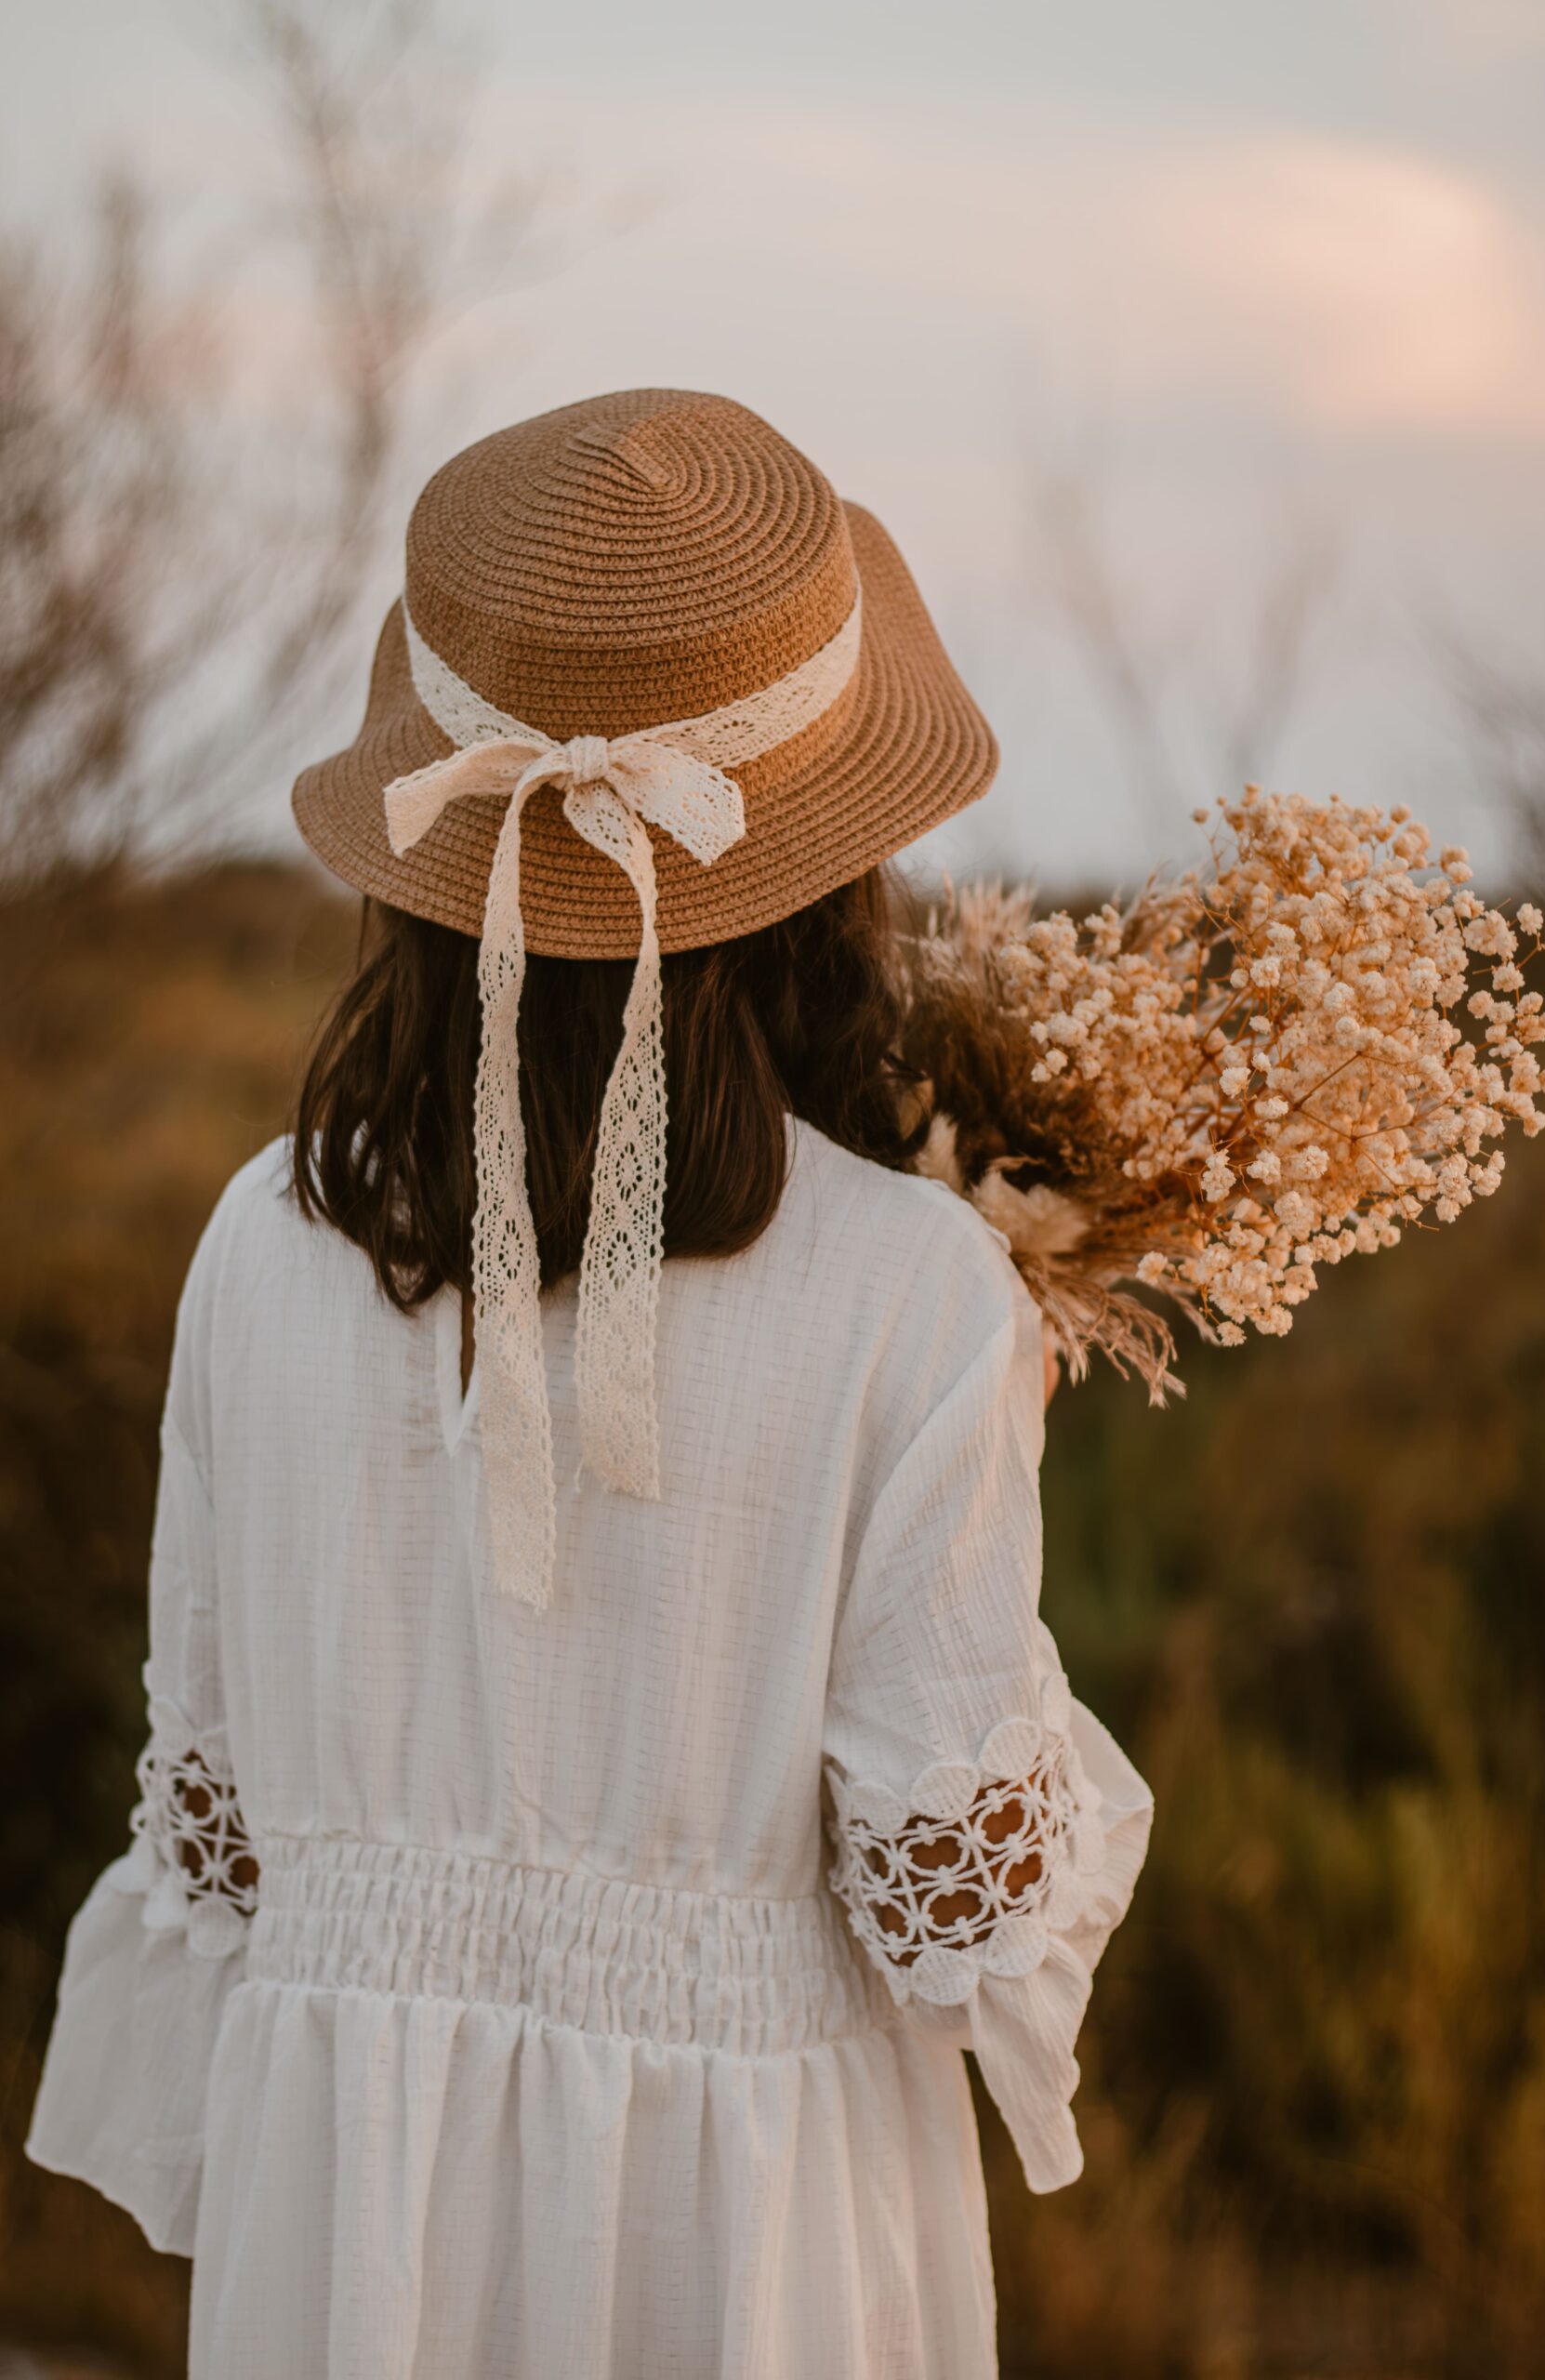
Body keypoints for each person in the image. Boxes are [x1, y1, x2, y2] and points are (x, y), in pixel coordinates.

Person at [28, 388, 1151, 2379]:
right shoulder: (917, 1296)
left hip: (347, 2216)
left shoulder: (255, 1243)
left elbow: (219, 1818)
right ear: (828, 868)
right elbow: (945, 1902)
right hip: (746, 2231)